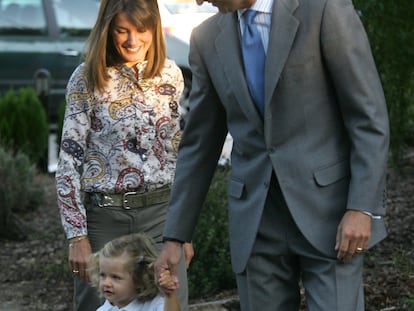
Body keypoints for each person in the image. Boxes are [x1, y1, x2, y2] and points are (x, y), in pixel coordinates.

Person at [155, 0, 390, 310]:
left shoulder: (323, 10)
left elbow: (367, 118)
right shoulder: (206, 38)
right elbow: (200, 143)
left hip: (329, 216)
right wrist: (175, 235)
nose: (200, 1)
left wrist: (362, 207)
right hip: (256, 222)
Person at [55, 0, 193, 310]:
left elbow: (177, 155)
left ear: (155, 30)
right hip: (106, 219)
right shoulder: (87, 78)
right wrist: (77, 236)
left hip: (161, 218)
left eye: (142, 30)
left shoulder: (170, 75)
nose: (133, 41)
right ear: (107, 30)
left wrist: (182, 230)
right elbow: (68, 162)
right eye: (122, 31)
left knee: (170, 304)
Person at [88, 233, 180, 311]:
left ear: (139, 279)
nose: (106, 283)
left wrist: (170, 294)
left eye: (116, 277)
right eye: (103, 275)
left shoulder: (154, 306)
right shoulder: (104, 309)